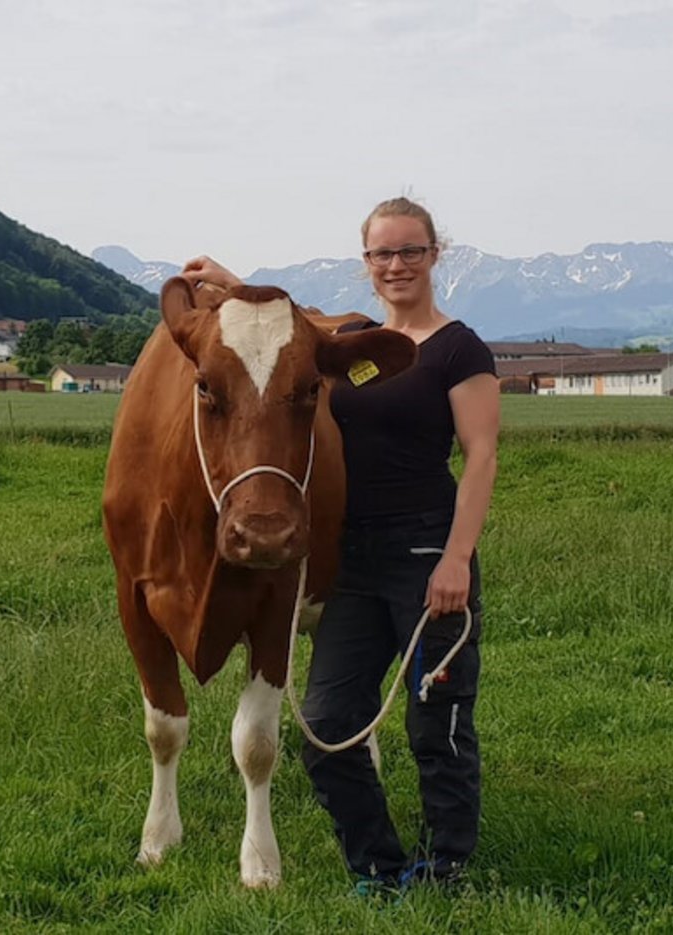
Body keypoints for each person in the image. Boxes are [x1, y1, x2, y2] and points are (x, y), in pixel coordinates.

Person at [181, 197, 500, 894]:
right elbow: (294, 336)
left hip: (426, 553)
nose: (397, 265)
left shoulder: (456, 348)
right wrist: (237, 291)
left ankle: (448, 869)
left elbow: (481, 457)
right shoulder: (355, 343)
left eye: (411, 251)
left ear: (434, 254)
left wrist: (455, 558)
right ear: (367, 263)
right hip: (354, 559)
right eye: (383, 253)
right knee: (325, 722)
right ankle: (380, 868)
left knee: (434, 724)